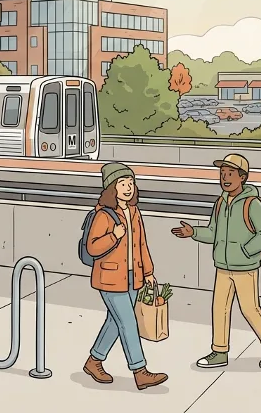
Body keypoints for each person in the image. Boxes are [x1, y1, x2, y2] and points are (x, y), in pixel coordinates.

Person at [171, 153, 261, 370]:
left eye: (230, 173)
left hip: (245, 267)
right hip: (222, 266)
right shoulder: (220, 203)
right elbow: (213, 232)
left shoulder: (252, 204)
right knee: (219, 308)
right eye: (222, 173)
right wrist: (193, 232)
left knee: (250, 308)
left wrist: (245, 251)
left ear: (242, 177)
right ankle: (219, 351)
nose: (225, 177)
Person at [83, 163, 168, 391]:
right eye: (122, 184)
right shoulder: (104, 215)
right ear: (112, 188)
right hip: (110, 279)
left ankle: (94, 361)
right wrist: (113, 235)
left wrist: (148, 271)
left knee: (115, 321)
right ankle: (140, 371)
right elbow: (92, 247)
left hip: (133, 277)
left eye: (130, 183)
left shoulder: (133, 211)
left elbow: (141, 244)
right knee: (128, 322)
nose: (128, 188)